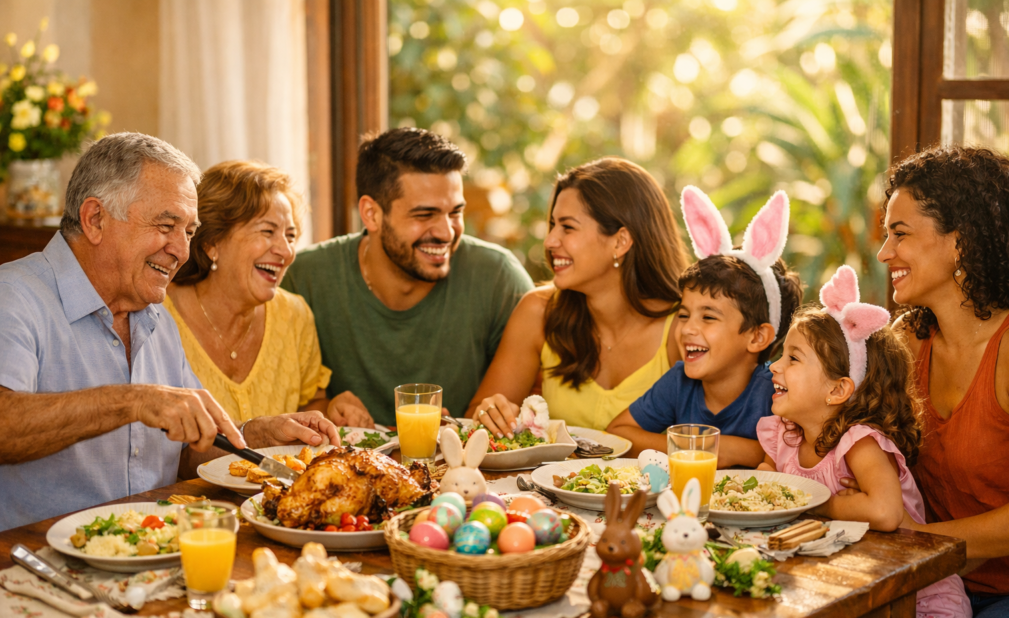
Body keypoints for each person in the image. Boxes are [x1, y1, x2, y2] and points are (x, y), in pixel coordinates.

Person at [0, 133, 339, 532]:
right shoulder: (14, 297)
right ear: (95, 219)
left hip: (150, 557)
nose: (180, 249)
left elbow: (182, 450)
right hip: (34, 567)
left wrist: (253, 434)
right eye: (166, 225)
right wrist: (131, 402)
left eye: (190, 232)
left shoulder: (155, 317)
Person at [757, 266, 971, 618]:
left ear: (837, 389)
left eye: (792, 358)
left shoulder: (859, 443)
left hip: (917, 604)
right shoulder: (784, 437)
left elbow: (887, 513)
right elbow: (763, 488)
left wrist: (819, 506)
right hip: (857, 596)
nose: (774, 367)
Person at [867, 146, 1009, 618]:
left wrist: (923, 546)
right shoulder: (908, 342)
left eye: (900, 233)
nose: (885, 252)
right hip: (937, 587)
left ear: (960, 242)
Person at [281, 128, 533, 423]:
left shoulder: (499, 277)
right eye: (424, 215)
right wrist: (324, 409)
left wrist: (499, 414)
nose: (446, 232)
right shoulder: (305, 278)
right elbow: (280, 404)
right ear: (371, 214)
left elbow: (537, 403)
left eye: (455, 212)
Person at [469, 157, 687, 434]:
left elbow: (705, 445)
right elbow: (476, 419)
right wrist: (494, 413)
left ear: (620, 241)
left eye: (568, 227)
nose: (549, 241)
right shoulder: (538, 312)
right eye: (552, 225)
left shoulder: (682, 328)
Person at [165, 160, 371, 427]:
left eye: (290, 235)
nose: (286, 252)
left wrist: (332, 410)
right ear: (212, 243)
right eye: (267, 231)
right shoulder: (158, 317)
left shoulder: (294, 315)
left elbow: (311, 404)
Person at [607, 187, 803, 466]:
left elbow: (798, 456)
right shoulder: (679, 382)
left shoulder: (777, 390)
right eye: (684, 315)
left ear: (758, 337)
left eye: (708, 317)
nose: (687, 329)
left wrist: (718, 450)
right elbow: (617, 434)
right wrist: (706, 449)